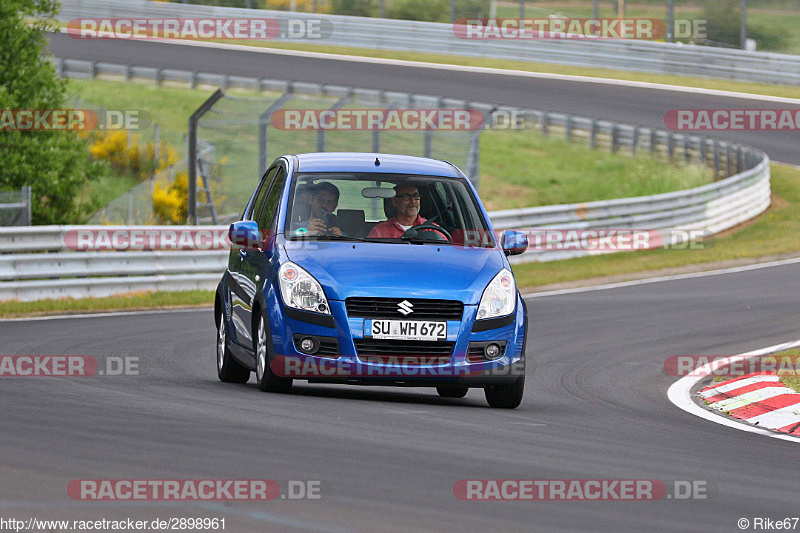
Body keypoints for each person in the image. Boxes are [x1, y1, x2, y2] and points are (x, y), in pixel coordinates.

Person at [367, 184, 437, 239]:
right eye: (406, 196)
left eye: (416, 196)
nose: (413, 201)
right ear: (395, 202)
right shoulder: (380, 232)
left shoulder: (432, 228)